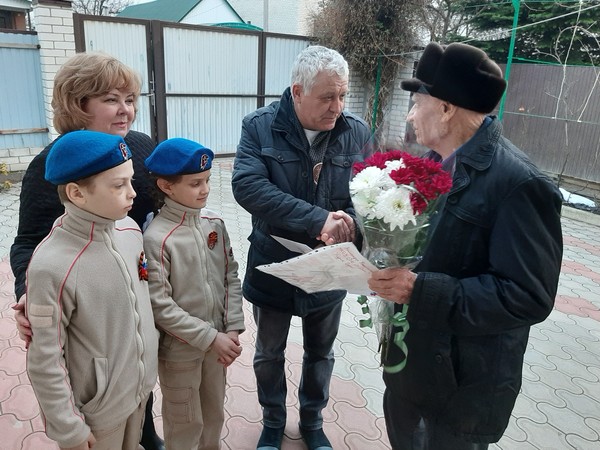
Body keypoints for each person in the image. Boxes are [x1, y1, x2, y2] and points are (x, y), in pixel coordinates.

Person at [367, 42, 563, 449]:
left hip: (460, 390)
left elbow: (528, 296)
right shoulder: (436, 164)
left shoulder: (519, 185)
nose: (410, 114)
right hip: (411, 369)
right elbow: (419, 241)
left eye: (417, 101)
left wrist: (419, 290)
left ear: (446, 108)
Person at [9, 52, 165, 450]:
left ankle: (145, 432)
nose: (126, 110)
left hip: (138, 287)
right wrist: (29, 294)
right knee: (103, 383)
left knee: (139, 379)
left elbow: (163, 208)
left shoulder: (141, 148)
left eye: (130, 99)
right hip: (89, 307)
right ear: (79, 106)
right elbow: (28, 242)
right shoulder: (53, 167)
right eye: (112, 99)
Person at [231, 45, 371, 450]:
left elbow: (372, 195)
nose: (337, 106)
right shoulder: (259, 126)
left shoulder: (356, 131)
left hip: (331, 266)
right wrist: (318, 219)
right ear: (297, 91)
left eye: (343, 95)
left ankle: (312, 422)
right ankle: (273, 421)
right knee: (269, 352)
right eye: (327, 97)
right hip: (274, 262)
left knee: (321, 353)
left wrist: (350, 225)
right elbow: (248, 186)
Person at [26, 130, 158, 450]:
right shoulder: (52, 265)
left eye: (131, 181)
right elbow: (44, 358)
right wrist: (69, 427)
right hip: (97, 415)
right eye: (118, 185)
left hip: (138, 392)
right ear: (77, 193)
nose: (133, 194)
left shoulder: (129, 231)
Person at [143, 138, 245, 449]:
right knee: (185, 421)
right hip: (180, 353)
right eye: (195, 183)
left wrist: (232, 328)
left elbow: (230, 275)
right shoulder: (155, 239)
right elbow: (159, 305)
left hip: (217, 346)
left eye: (207, 181)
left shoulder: (214, 224)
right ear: (166, 186)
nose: (205, 189)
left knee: (213, 415)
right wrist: (211, 337)